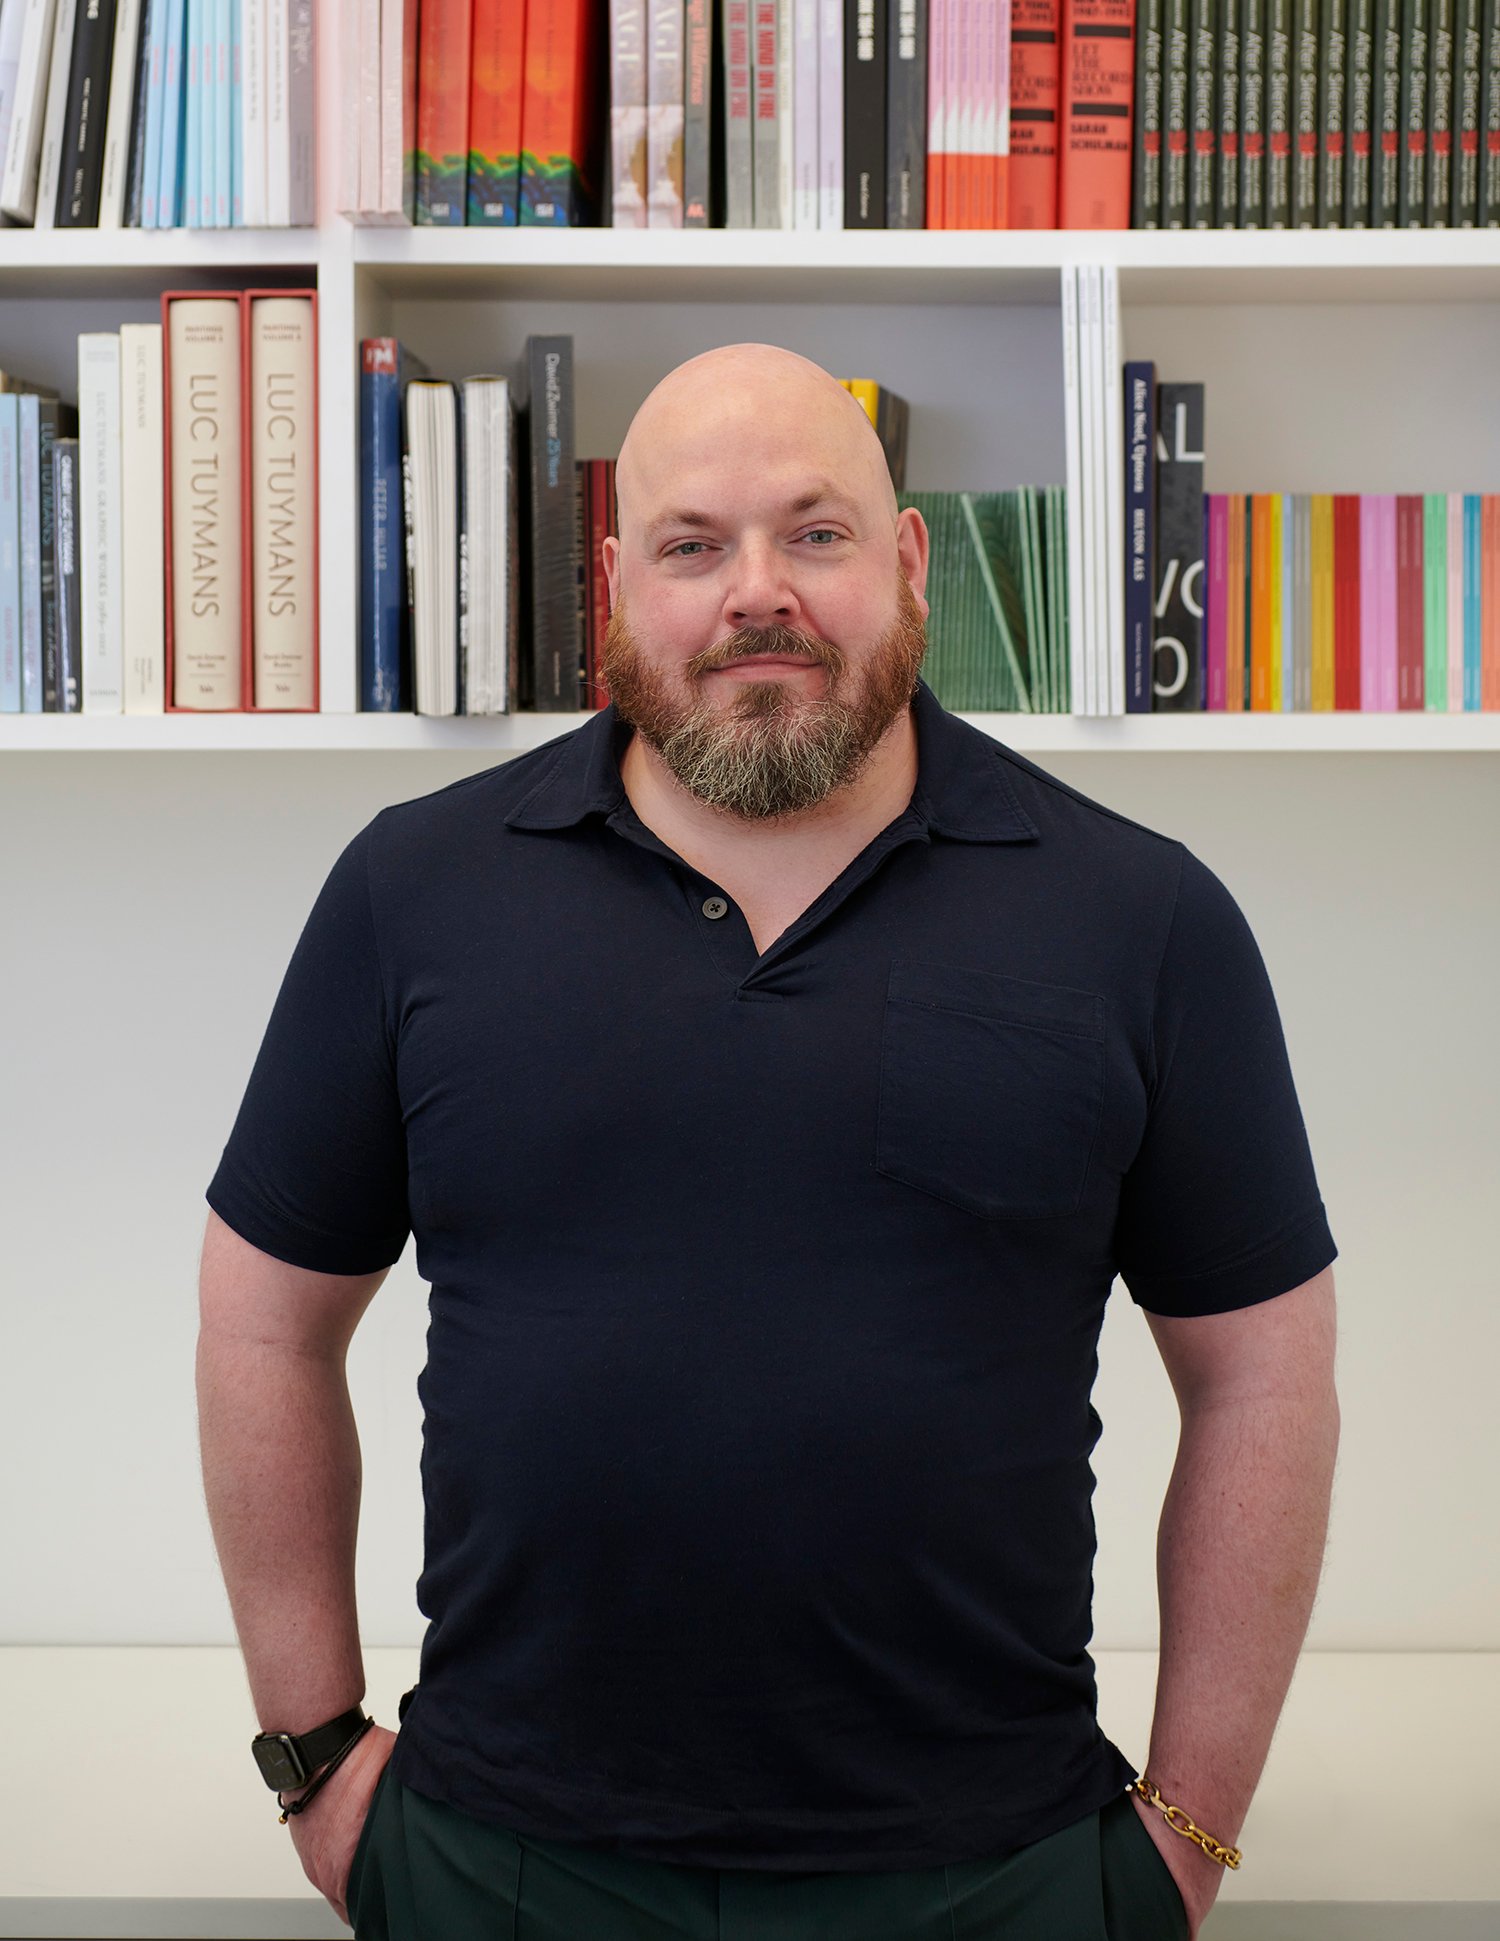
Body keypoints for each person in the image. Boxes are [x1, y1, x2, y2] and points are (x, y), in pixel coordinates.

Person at [197, 344, 1340, 1941]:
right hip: (498, 1864)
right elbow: (263, 1320)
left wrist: (1188, 1835)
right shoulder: (412, 892)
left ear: (908, 561)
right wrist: (317, 1760)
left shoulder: (1141, 916)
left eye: (816, 533)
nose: (759, 593)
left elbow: (1265, 1374)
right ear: (613, 581)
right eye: (692, 543)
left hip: (998, 1875)